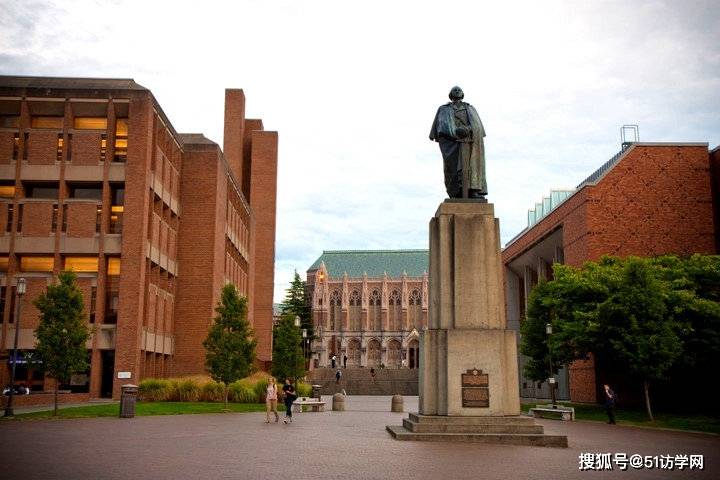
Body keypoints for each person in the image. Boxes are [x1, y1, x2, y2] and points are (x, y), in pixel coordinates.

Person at [429, 86, 487, 199]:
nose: (457, 91)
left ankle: (473, 191)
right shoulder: (444, 109)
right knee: (453, 169)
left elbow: (478, 126)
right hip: (452, 143)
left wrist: (469, 129)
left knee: (472, 166)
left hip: (470, 142)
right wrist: (455, 131)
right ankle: (457, 192)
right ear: (450, 95)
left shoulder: (470, 108)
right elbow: (441, 125)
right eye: (454, 90)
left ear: (462, 94)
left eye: (459, 90)